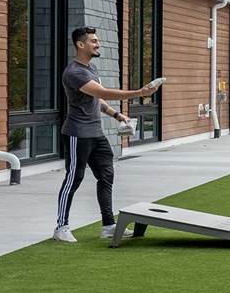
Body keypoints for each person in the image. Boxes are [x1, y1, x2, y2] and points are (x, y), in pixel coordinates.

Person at [52, 26, 165, 244]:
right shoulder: (74, 72)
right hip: (77, 133)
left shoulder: (91, 68)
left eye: (97, 41)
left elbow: (98, 100)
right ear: (80, 44)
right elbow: (102, 92)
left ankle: (108, 226)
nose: (98, 44)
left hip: (96, 132)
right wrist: (139, 93)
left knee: (106, 176)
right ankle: (61, 227)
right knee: (73, 179)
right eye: (93, 41)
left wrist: (116, 114)